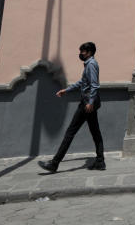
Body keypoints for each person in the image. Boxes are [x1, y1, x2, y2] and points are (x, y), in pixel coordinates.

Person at [38, 42, 105, 172]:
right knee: (95, 132)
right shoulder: (89, 64)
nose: (80, 54)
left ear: (89, 52)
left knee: (70, 132)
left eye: (83, 51)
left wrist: (90, 102)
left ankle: (54, 163)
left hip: (86, 104)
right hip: (88, 103)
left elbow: (95, 85)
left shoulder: (91, 64)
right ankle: (100, 162)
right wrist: (66, 90)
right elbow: (83, 82)